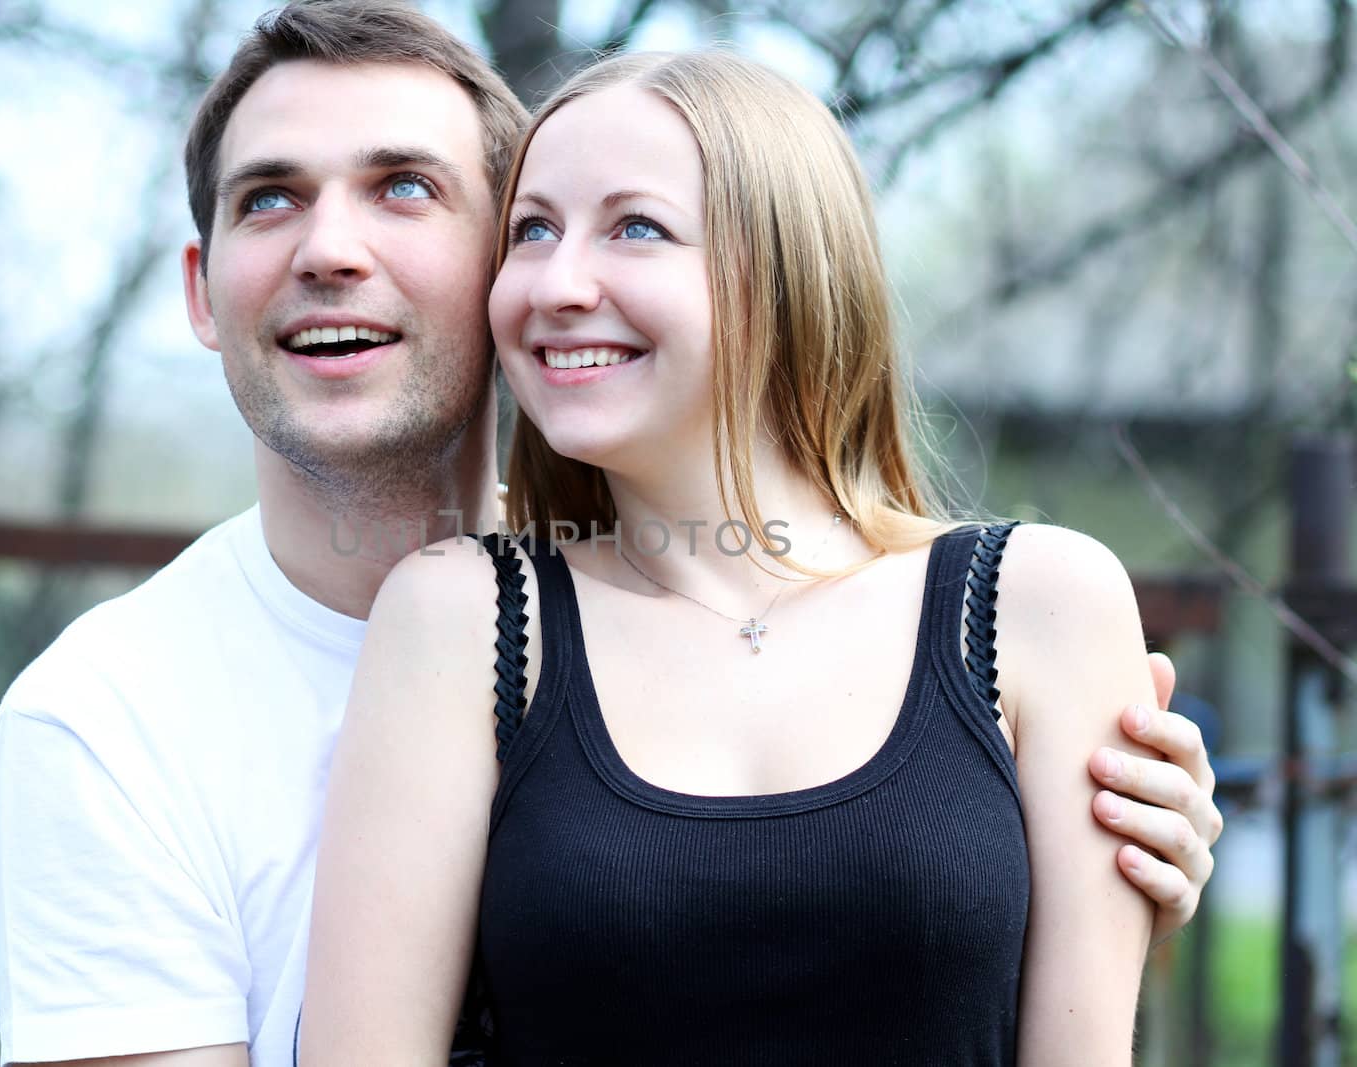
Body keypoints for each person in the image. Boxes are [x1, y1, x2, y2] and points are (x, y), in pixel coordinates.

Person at [0, 4, 1222, 1065]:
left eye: (405, 188)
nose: (332, 249)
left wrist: (1047, 868)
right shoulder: (112, 718)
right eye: (271, 200)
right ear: (202, 289)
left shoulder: (1029, 604)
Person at [298, 48, 1203, 1065]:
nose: (557, 281)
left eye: (634, 226)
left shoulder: (1039, 600)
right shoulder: (457, 616)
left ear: (783, 268)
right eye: (532, 230)